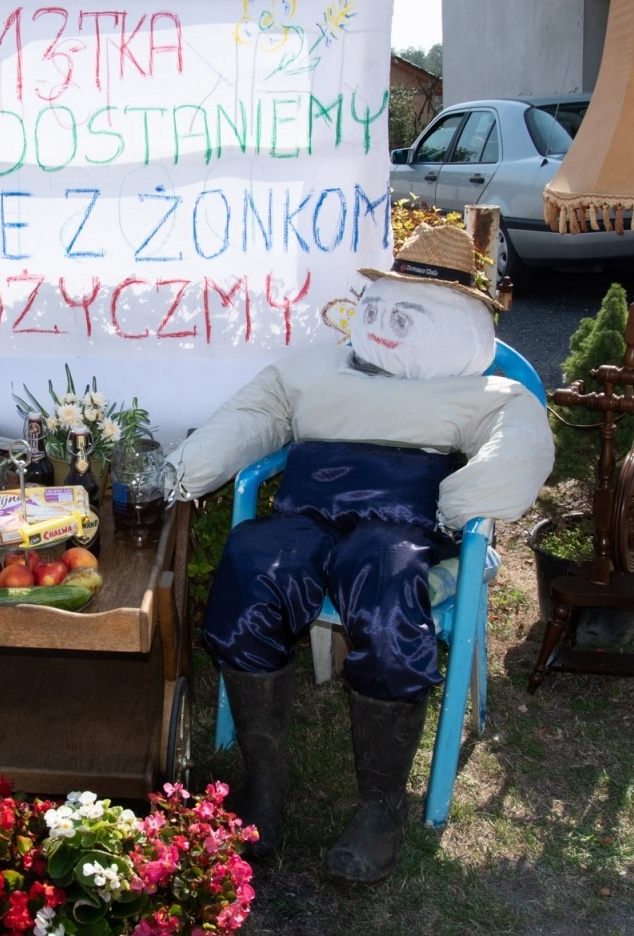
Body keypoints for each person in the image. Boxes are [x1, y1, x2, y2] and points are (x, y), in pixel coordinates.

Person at [164, 221, 553, 882]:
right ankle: (265, 787)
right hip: (305, 514)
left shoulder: (485, 389)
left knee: (386, 584)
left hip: (397, 524)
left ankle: (379, 808)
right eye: (377, 308)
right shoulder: (315, 367)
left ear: (459, 325)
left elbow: (521, 438)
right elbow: (253, 414)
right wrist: (183, 471)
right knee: (252, 560)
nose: (383, 326)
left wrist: (467, 499)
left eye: (408, 315)